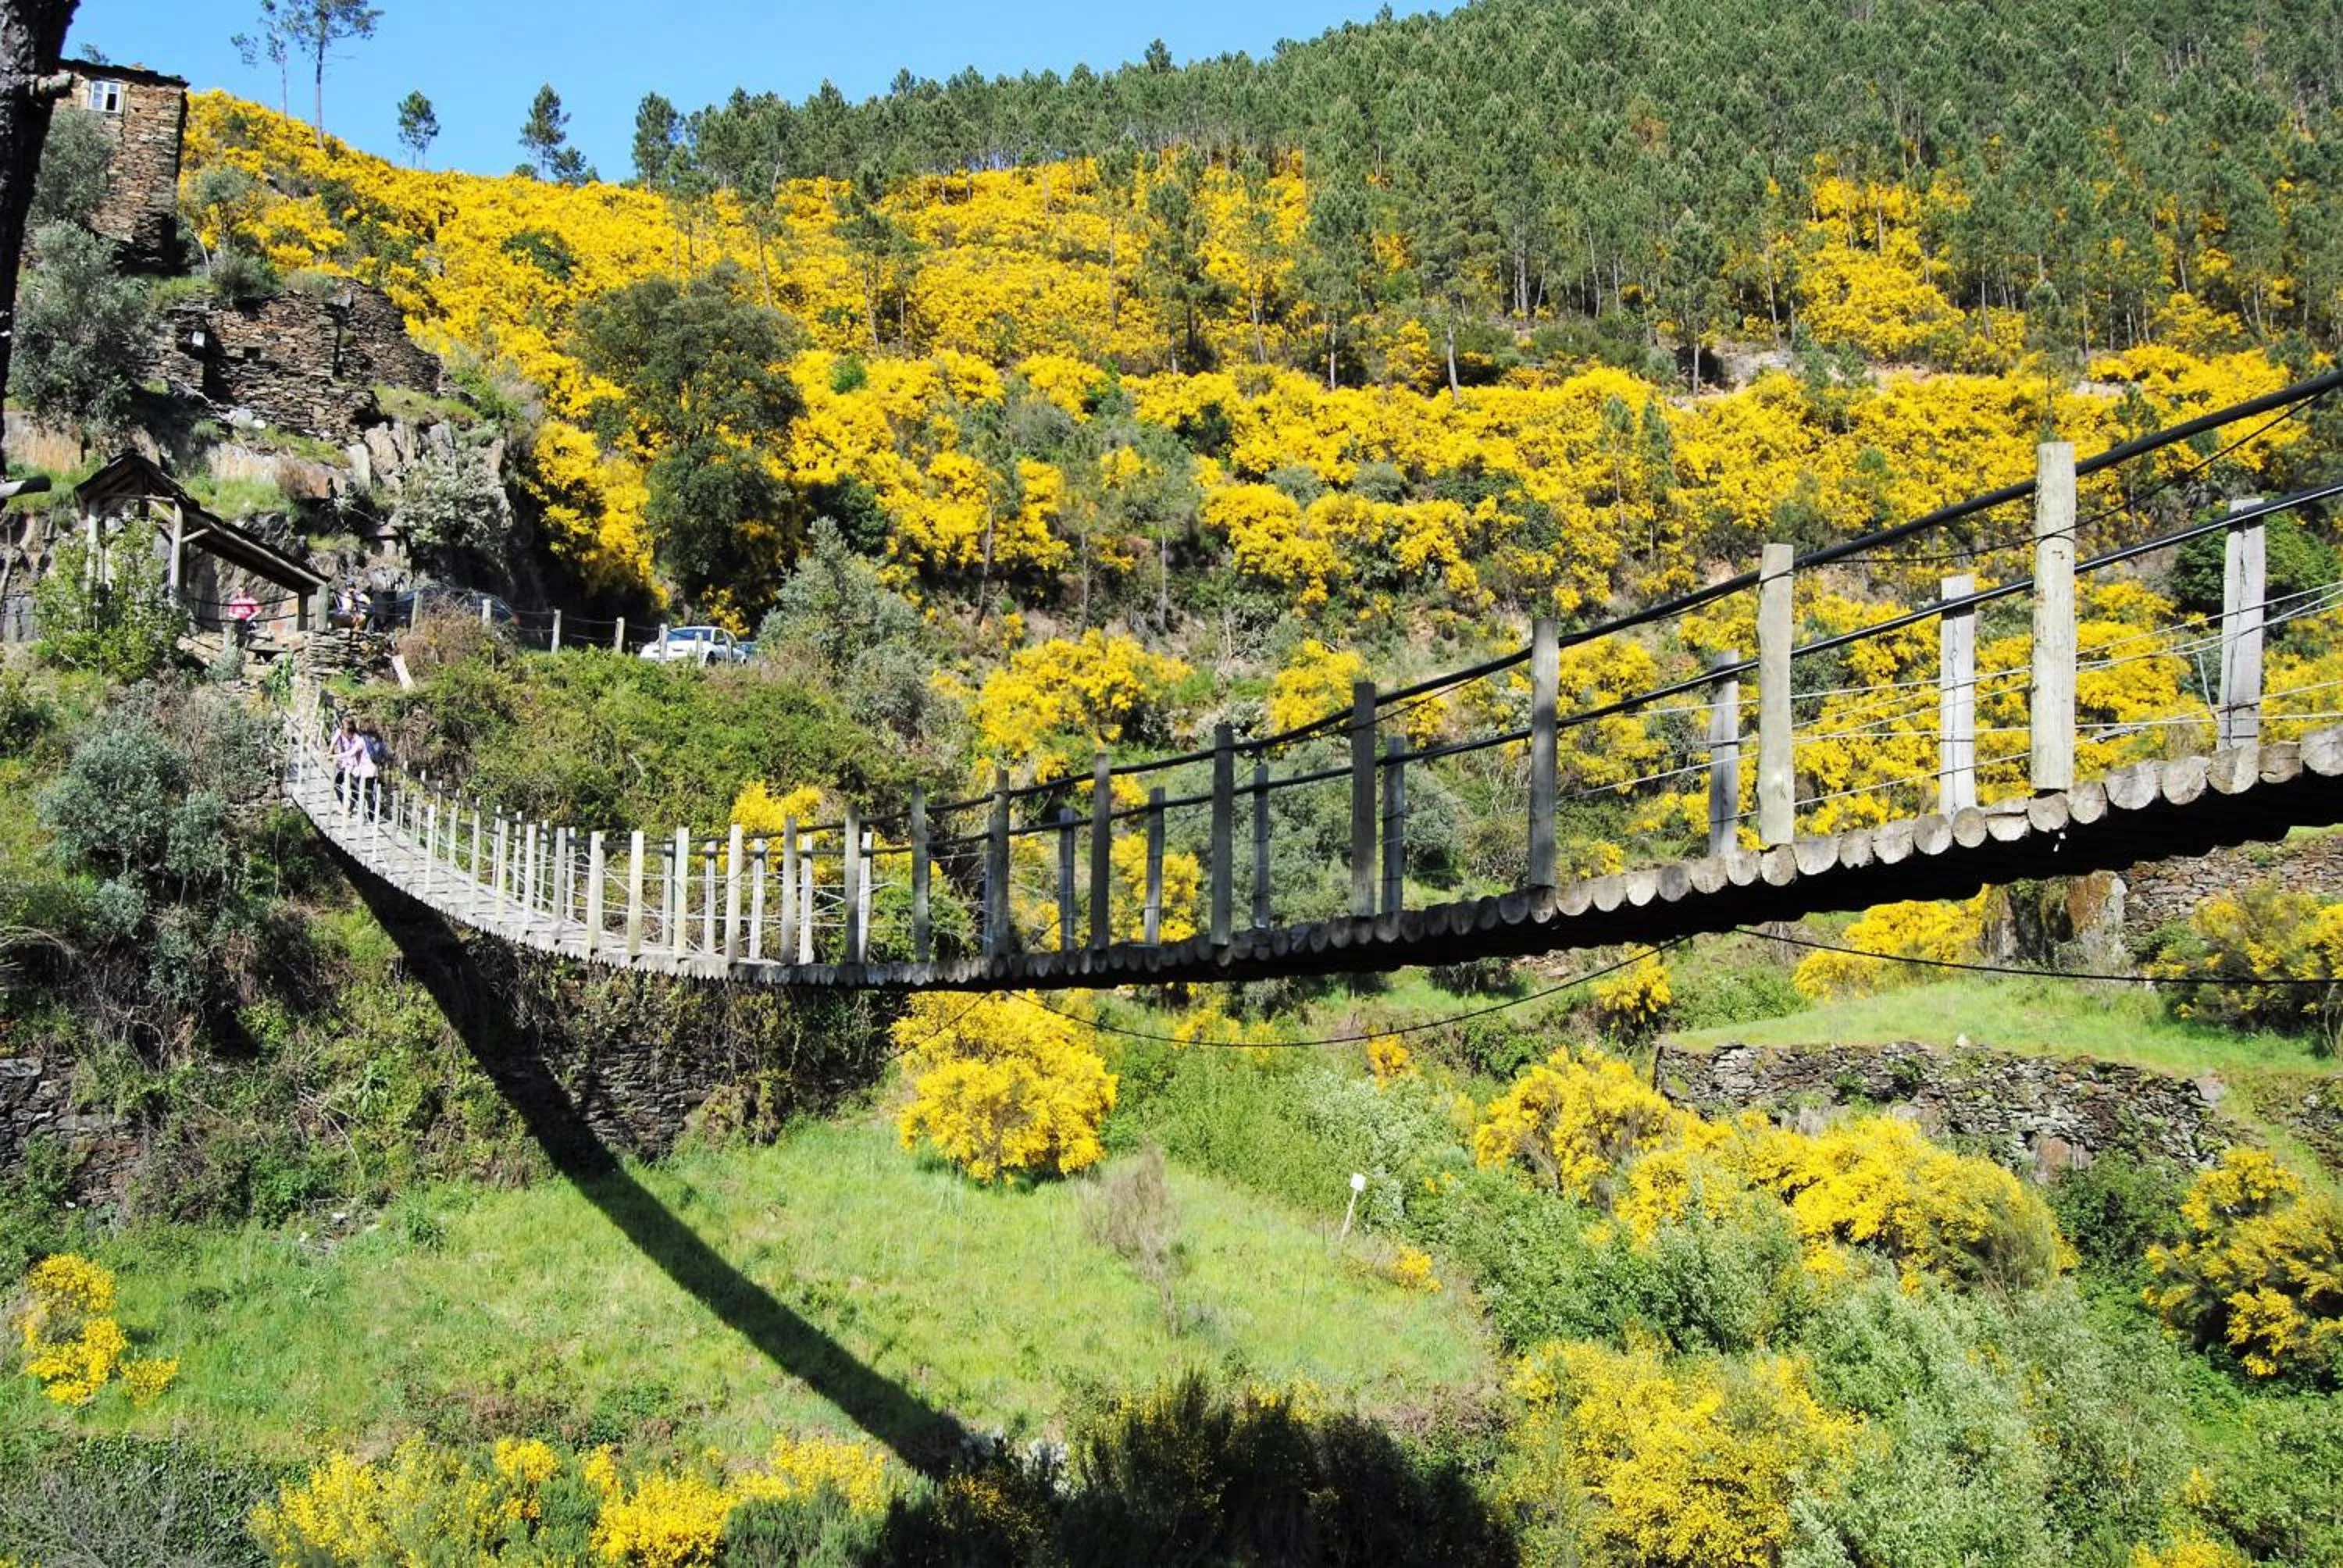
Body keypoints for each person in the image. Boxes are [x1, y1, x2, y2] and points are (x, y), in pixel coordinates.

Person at [354, 719, 387, 820]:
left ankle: (361, 815)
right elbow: (385, 754)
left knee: (358, 790)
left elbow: (353, 752)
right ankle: (372, 816)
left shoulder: (363, 739)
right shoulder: (379, 739)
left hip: (364, 770)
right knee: (371, 793)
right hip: (374, 770)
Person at [332, 715, 365, 812]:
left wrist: (334, 756)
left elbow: (351, 753)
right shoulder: (342, 733)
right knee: (340, 784)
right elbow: (334, 742)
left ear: (349, 725)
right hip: (346, 764)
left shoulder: (357, 737)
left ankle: (352, 807)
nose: (342, 726)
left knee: (353, 786)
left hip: (354, 765)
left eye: (343, 724)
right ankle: (347, 806)